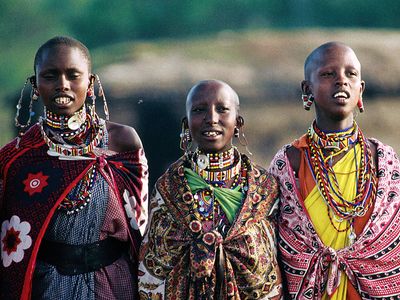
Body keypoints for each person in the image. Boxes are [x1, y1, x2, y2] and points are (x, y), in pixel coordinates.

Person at [0, 36, 148, 300]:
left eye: (73, 75)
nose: (62, 85)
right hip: (47, 288)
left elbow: (143, 230)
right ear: (35, 85)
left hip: (114, 285)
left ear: (90, 83)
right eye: (50, 76)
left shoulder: (122, 142)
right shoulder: (16, 158)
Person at [268, 41, 400, 299]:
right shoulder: (290, 162)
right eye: (328, 74)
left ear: (360, 89)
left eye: (351, 74)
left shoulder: (382, 160)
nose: (342, 81)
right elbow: (274, 248)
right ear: (308, 89)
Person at [138, 79, 282, 299]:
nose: (211, 118)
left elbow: (274, 261)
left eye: (222, 109)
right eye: (199, 110)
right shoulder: (169, 187)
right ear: (186, 124)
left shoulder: (264, 188)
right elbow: (152, 268)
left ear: (238, 123)